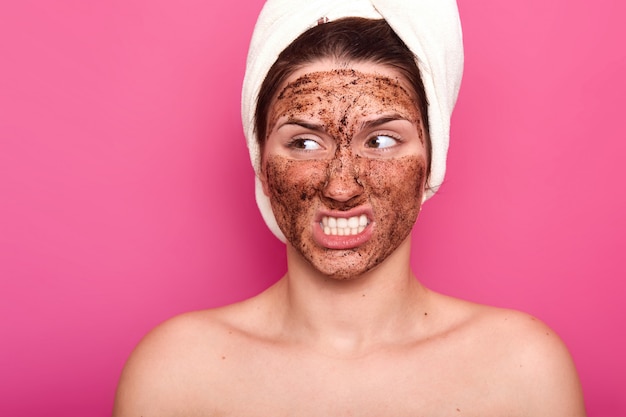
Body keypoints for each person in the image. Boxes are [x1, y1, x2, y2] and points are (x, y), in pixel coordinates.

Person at [113, 0, 587, 415]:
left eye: (380, 140)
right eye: (303, 142)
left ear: (432, 160)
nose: (341, 187)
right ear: (260, 162)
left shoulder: (524, 371)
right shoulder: (174, 374)